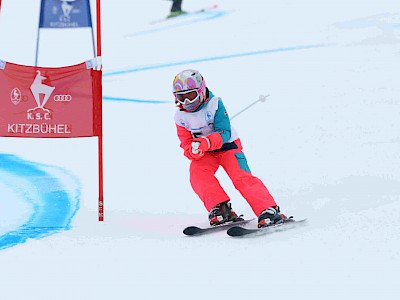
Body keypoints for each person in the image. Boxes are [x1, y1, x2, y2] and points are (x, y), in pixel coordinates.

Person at [173, 69, 287, 228]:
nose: (186, 102)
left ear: (200, 91)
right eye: (181, 97)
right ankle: (221, 208)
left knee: (241, 176)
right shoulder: (180, 117)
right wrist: (192, 151)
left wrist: (206, 142)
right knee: (197, 174)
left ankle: (268, 209)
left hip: (228, 148)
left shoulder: (214, 104)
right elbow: (185, 142)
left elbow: (225, 132)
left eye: (190, 96)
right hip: (205, 153)